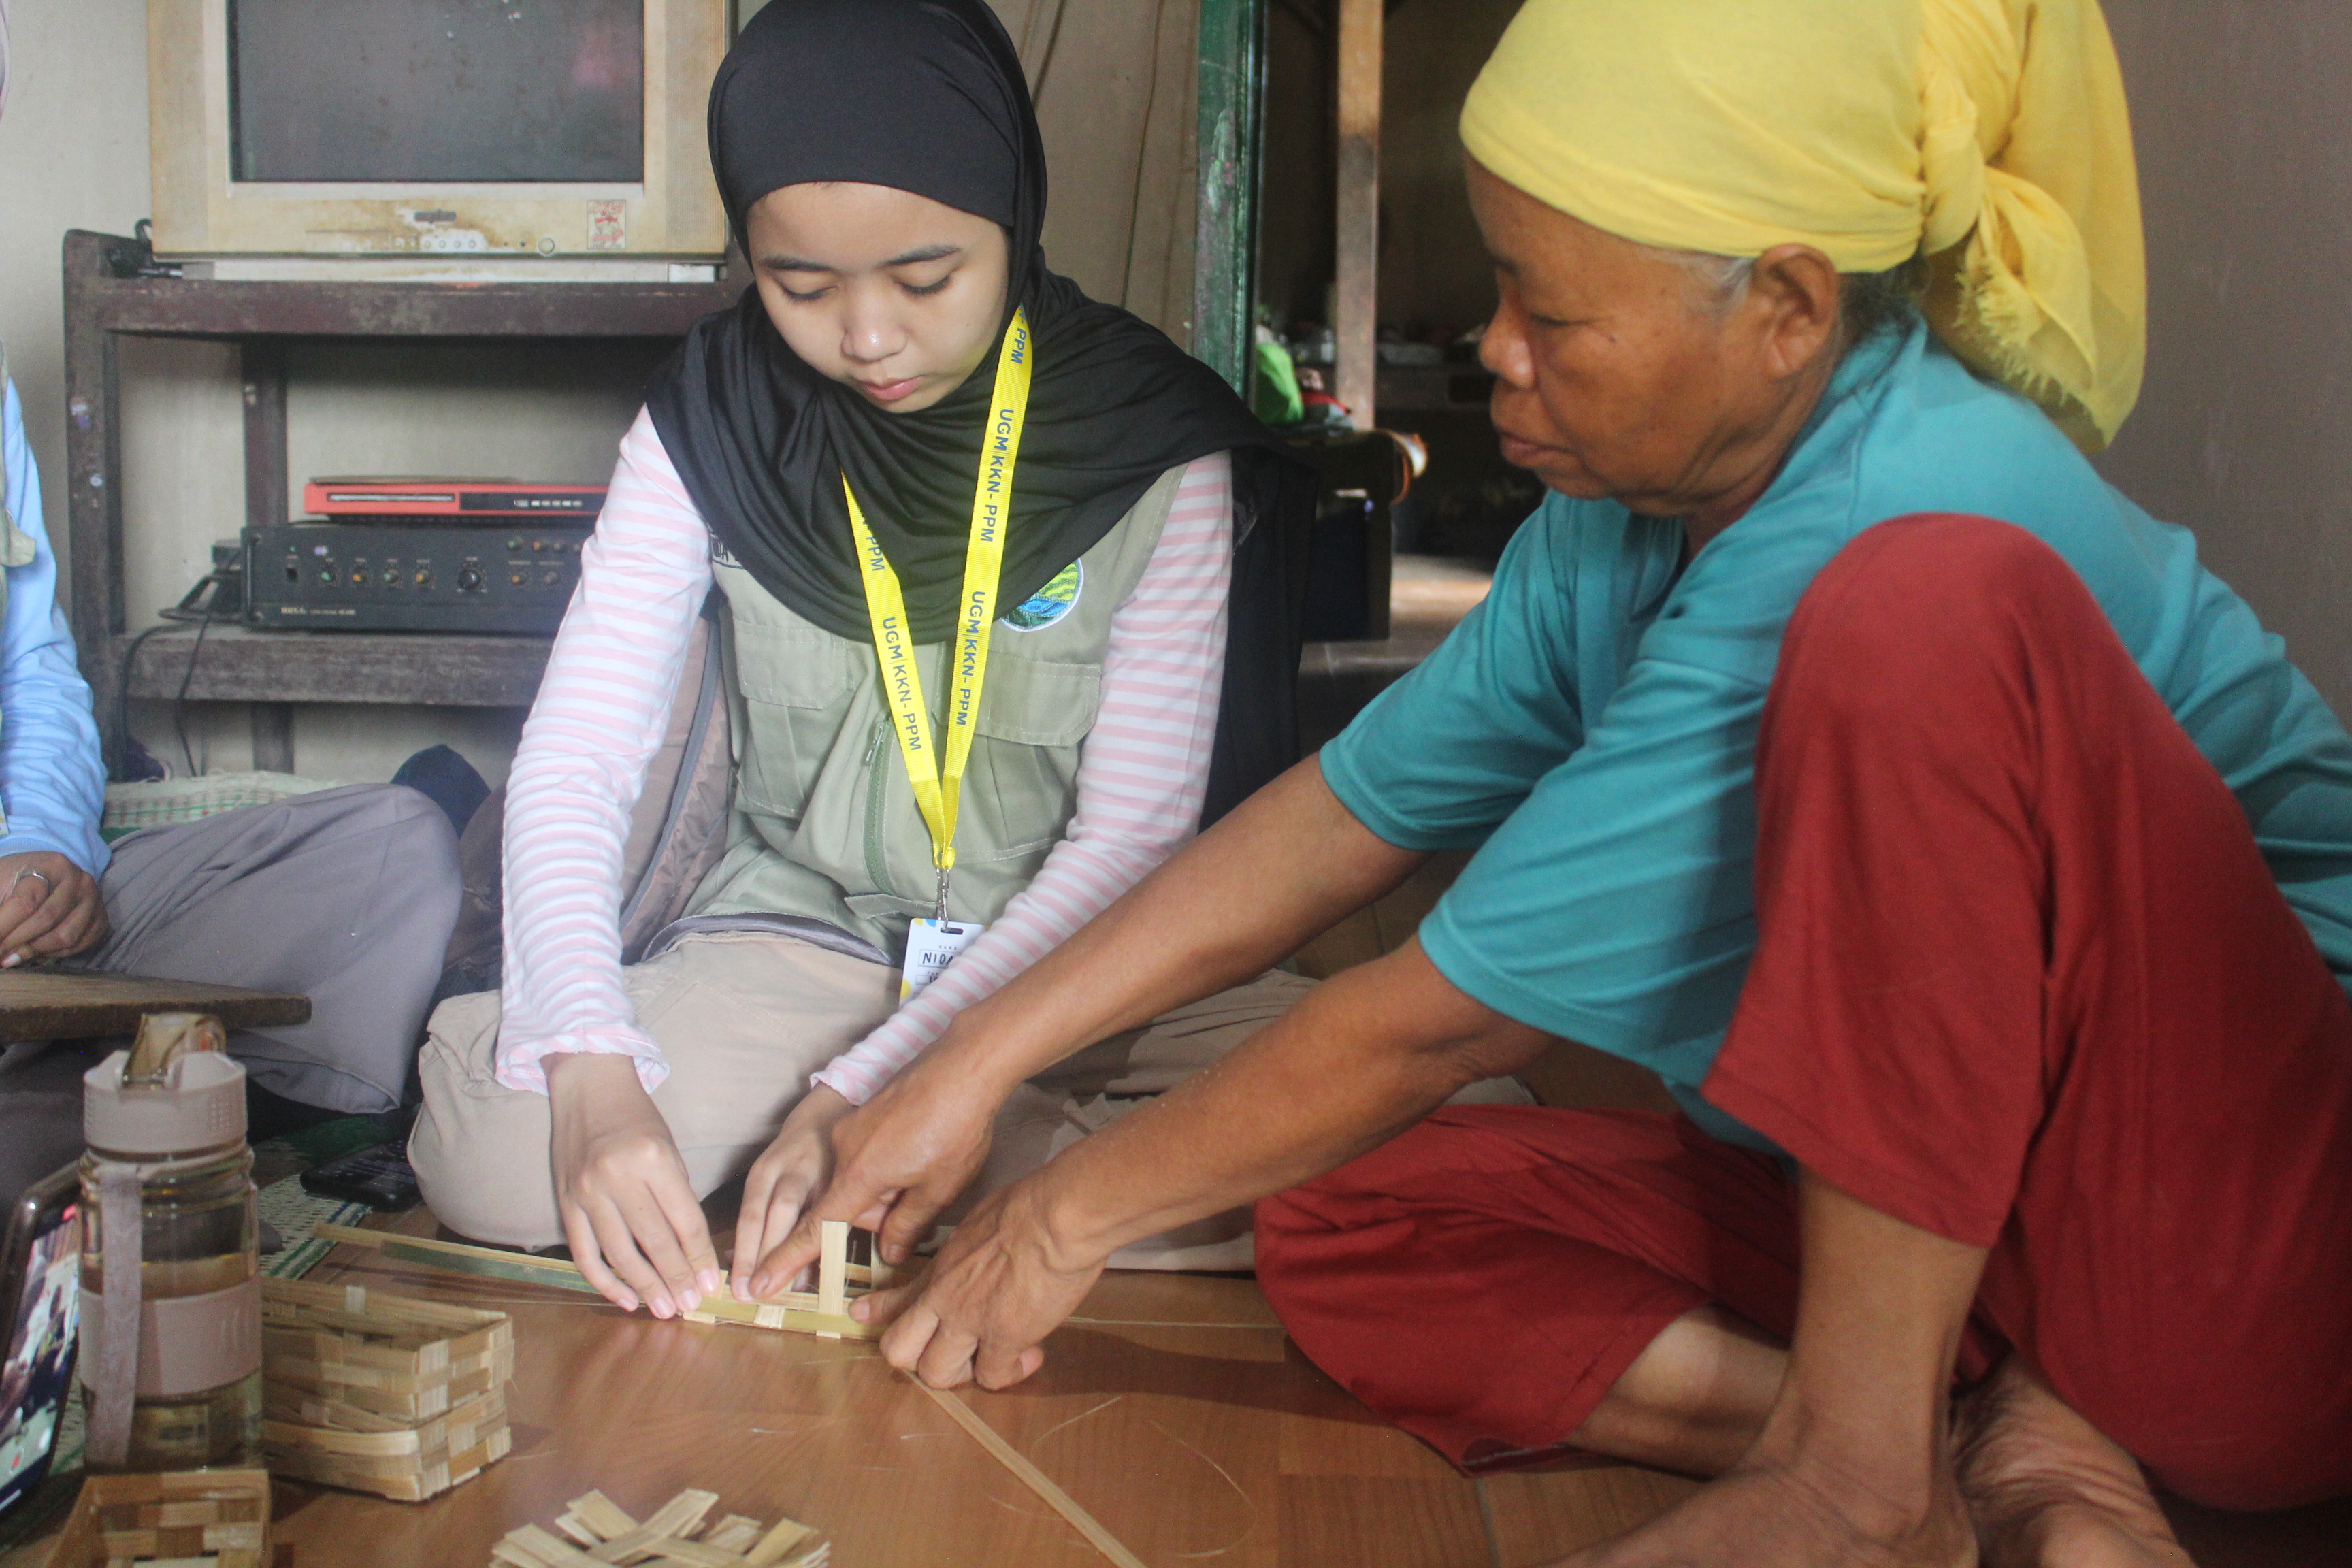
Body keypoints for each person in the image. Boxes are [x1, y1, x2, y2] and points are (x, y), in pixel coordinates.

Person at [748, 1, 2352, 1563]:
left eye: (1551, 316)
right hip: (1936, 1241)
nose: (1496, 354)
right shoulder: (1628, 500)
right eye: (1502, 289)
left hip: (2247, 1252)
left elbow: (1439, 1023)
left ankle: (1856, 1481)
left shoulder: (1902, 499)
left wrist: (1059, 1217)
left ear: (1787, 310)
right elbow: (1338, 823)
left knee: (1917, 610)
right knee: (1334, 1218)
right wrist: (966, 1066)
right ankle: (1969, 1447)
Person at [408, 0, 1480, 1320]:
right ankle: (1011, 1195)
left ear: (1013, 219)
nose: (867, 337)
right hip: (801, 948)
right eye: (801, 286)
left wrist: (874, 1087)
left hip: (1085, 975)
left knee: (1465, 1129)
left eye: (925, 280)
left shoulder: (1150, 446)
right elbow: (576, 759)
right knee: (498, 1154)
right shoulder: (709, 419)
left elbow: (1131, 839)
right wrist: (587, 1072)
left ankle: (915, 1180)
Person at [0, 357, 464, 1203]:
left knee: (397, 837)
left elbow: (32, 669)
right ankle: (124, 1113)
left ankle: (143, 1106)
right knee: (35, 1165)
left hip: (25, 931)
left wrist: (42, 844)